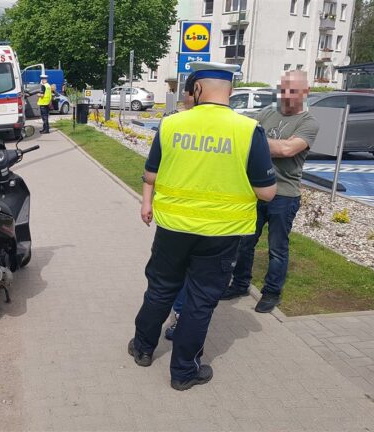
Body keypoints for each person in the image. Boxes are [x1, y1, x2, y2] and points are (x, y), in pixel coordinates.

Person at [129, 62, 277, 391]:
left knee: (160, 289)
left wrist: (147, 202)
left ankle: (142, 348)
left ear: (197, 89)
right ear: (230, 91)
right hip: (221, 234)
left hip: (172, 227)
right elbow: (267, 192)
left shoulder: (170, 125)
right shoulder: (247, 130)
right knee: (199, 301)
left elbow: (150, 175)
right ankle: (183, 372)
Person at [221, 70, 320, 313]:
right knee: (245, 242)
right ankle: (240, 283)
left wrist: (255, 143)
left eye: (292, 91)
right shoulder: (267, 113)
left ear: (304, 93)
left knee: (277, 248)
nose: (286, 95)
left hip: (284, 195)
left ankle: (271, 292)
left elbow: (287, 150)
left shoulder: (308, 123)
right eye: (283, 89)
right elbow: (244, 132)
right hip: (256, 191)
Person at [163, 73, 198, 341]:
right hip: (194, 219)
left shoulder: (170, 124)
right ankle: (179, 316)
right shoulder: (173, 124)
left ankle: (177, 316)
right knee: (185, 275)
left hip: (180, 218)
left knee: (178, 274)